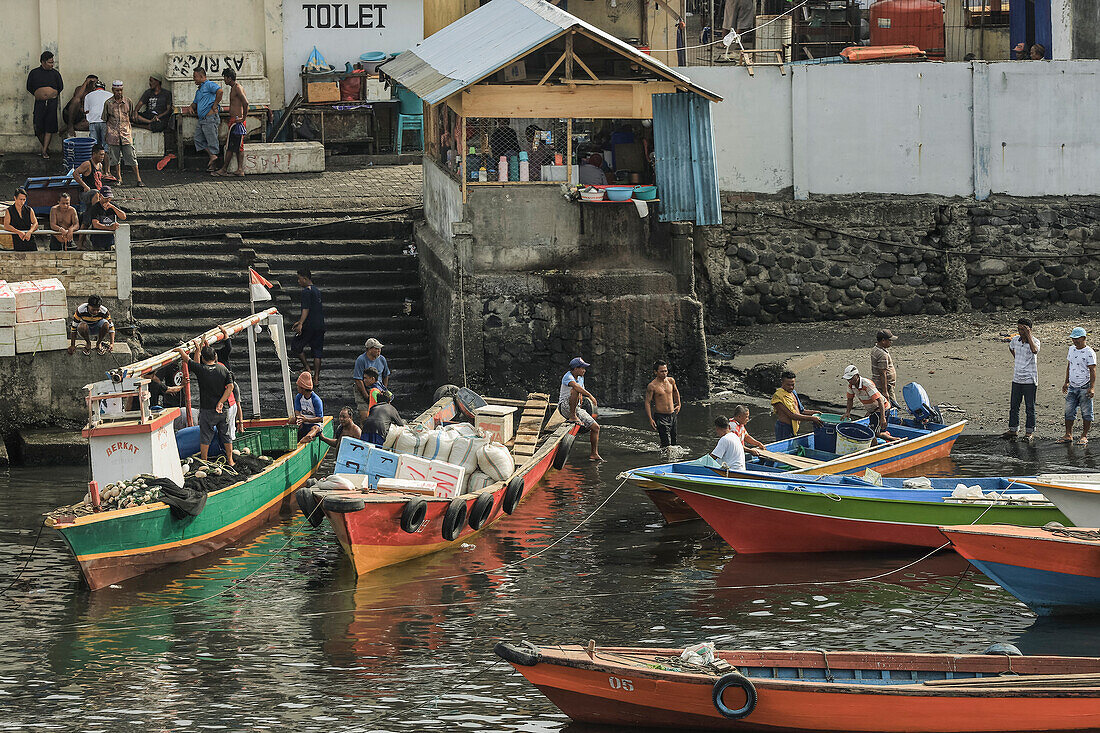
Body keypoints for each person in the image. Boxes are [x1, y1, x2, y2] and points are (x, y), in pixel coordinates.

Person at [175, 340, 236, 465]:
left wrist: (181, 351)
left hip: (207, 410)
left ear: (203, 358)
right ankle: (230, 460)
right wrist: (221, 402)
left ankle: (204, 462)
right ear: (216, 357)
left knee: (205, 437)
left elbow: (189, 360)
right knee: (226, 435)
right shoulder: (223, 369)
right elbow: (230, 387)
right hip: (222, 409)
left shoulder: (202, 370)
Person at [1002, 317, 1040, 442]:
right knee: (1014, 405)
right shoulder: (1015, 340)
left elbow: (1034, 350)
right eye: (1018, 329)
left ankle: (1029, 432)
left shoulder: (1035, 341)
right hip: (1017, 378)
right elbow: (1011, 347)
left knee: (1030, 407)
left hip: (1029, 379)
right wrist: (1017, 359)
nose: (1020, 331)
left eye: (1022, 329)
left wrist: (1028, 335)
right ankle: (1013, 429)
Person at [559, 356, 602, 461]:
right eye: (582, 368)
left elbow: (581, 395)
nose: (584, 370)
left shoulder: (581, 378)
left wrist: (582, 405)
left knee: (596, 428)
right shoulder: (568, 376)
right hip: (564, 406)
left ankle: (594, 454)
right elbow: (577, 389)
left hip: (576, 407)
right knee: (576, 389)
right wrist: (591, 396)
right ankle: (572, 416)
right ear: (575, 369)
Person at [103, 81, 143, 187]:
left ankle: (138, 179)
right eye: (116, 90)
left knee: (131, 156)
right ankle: (119, 178)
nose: (119, 92)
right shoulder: (108, 103)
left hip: (126, 134)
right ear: (112, 90)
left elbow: (130, 116)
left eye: (120, 90)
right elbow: (105, 119)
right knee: (115, 159)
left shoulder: (128, 101)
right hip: (113, 135)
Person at [1061, 327, 1096, 446]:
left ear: (1084, 338)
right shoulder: (1071, 349)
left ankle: (1084, 435)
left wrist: (1091, 387)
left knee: (1086, 412)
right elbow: (1069, 366)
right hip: (1072, 385)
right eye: (1073, 339)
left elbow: (1093, 370)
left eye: (1077, 339)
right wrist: (1066, 382)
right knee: (1069, 411)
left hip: (1084, 386)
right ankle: (1068, 434)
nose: (1075, 341)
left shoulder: (1089, 352)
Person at [27, 51, 63, 159]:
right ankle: (45, 147)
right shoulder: (34, 73)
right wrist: (39, 94)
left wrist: (52, 94)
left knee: (49, 126)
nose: (52, 65)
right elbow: (29, 87)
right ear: (43, 62)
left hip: (52, 103)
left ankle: (44, 151)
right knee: (38, 127)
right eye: (49, 62)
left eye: (53, 62)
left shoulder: (55, 73)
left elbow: (60, 87)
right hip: (39, 103)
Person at [292, 268, 324, 385]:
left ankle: (307, 368)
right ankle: (316, 378)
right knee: (317, 352)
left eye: (299, 279)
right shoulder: (316, 291)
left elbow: (306, 309)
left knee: (296, 345)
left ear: (305, 278)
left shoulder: (306, 291)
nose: (298, 281)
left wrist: (301, 323)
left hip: (309, 326)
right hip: (320, 325)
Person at [213, 68, 249, 177]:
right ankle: (239, 169)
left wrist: (242, 119)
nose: (224, 80)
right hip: (236, 120)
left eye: (225, 77)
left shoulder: (237, 88)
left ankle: (224, 169)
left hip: (237, 121)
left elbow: (246, 103)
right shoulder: (234, 88)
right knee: (238, 146)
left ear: (229, 78)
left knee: (230, 146)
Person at [188, 67, 223, 171]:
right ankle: (212, 156)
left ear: (202, 76)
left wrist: (215, 105)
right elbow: (195, 103)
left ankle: (214, 165)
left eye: (195, 76)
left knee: (212, 141)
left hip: (210, 118)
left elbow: (220, 91)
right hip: (202, 119)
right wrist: (191, 107)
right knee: (198, 139)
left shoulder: (209, 84)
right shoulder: (199, 90)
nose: (194, 79)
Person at [771, 370, 821, 440]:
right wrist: (812, 418)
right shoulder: (778, 396)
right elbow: (792, 415)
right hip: (784, 428)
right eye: (788, 385)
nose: (791, 387)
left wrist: (815, 413)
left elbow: (802, 410)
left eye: (793, 384)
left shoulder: (793, 392)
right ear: (782, 383)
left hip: (794, 427)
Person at [842, 364, 890, 437]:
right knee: (873, 430)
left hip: (881, 409)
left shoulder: (867, 384)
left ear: (857, 376)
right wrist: (847, 412)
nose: (849, 381)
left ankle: (895, 440)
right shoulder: (851, 386)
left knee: (873, 433)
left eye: (851, 378)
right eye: (848, 379)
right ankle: (887, 436)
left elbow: (880, 400)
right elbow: (850, 399)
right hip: (872, 410)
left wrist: (883, 418)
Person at [645, 359, 681, 450]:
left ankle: (669, 458)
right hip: (660, 417)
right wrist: (650, 419)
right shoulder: (652, 386)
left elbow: (676, 392)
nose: (664, 373)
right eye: (661, 371)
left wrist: (679, 404)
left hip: (672, 414)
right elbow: (647, 402)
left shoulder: (671, 381)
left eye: (666, 371)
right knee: (667, 444)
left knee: (674, 442)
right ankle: (666, 461)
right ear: (655, 372)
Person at [353, 338, 389, 420]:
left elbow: (386, 375)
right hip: (364, 389)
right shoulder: (361, 360)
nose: (379, 350)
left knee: (380, 415)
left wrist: (384, 389)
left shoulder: (382, 359)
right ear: (369, 349)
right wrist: (366, 395)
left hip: (377, 388)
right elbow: (358, 379)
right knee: (365, 417)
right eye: (376, 349)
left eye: (379, 348)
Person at [88, 186, 126, 250]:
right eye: (105, 198)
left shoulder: (113, 206)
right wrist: (109, 228)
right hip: (98, 241)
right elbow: (95, 224)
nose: (108, 200)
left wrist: (113, 207)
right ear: (100, 196)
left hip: (110, 240)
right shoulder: (95, 208)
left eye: (109, 198)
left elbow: (123, 217)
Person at [870, 329, 899, 409]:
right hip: (886, 385)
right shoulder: (882, 354)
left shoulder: (876, 349)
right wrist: (885, 391)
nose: (891, 342)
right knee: (890, 406)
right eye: (889, 340)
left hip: (880, 384)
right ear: (883, 341)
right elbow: (882, 373)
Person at [294, 371, 325, 443]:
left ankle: (308, 436)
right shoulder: (299, 397)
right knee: (291, 420)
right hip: (303, 422)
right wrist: (299, 419)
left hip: (313, 423)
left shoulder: (316, 400)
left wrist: (306, 419)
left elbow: (320, 418)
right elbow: (297, 411)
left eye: (298, 386)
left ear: (303, 388)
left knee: (315, 428)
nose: (297, 388)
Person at [83, 80, 111, 147]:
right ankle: (106, 157)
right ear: (104, 88)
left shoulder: (88, 96)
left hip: (93, 122)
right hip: (105, 122)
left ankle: (94, 157)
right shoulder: (110, 95)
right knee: (106, 145)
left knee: (93, 145)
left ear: (94, 88)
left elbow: (86, 111)